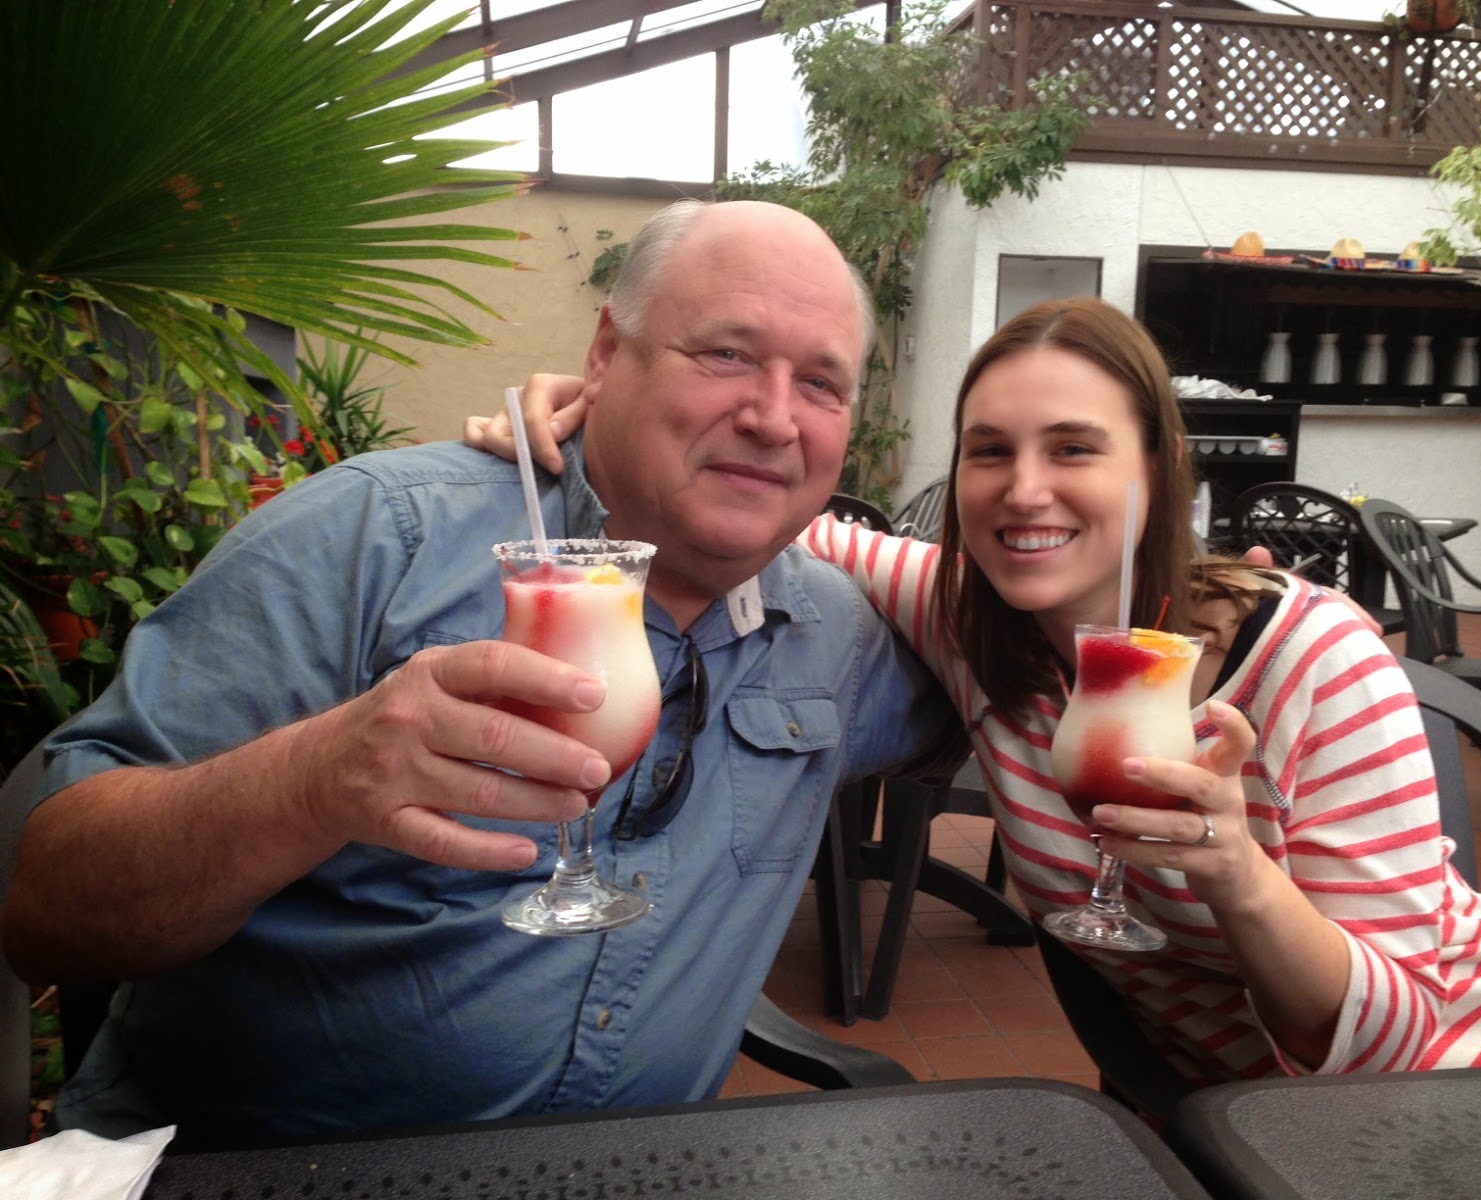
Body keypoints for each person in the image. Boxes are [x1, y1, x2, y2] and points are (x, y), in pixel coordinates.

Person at [0, 199, 952, 1143]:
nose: (774, 418)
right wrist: (311, 781)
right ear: (606, 355)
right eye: (727, 354)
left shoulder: (837, 634)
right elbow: (48, 909)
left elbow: (1004, 678)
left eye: (821, 383)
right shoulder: (374, 539)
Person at [490, 297, 1481, 1083]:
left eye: (1074, 449)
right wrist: (595, 416)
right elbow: (788, 516)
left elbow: (1395, 1048)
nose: (1024, 490)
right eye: (989, 452)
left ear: (1157, 467)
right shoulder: (967, 617)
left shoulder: (1317, 662)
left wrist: (1239, 876)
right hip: (1231, 1125)